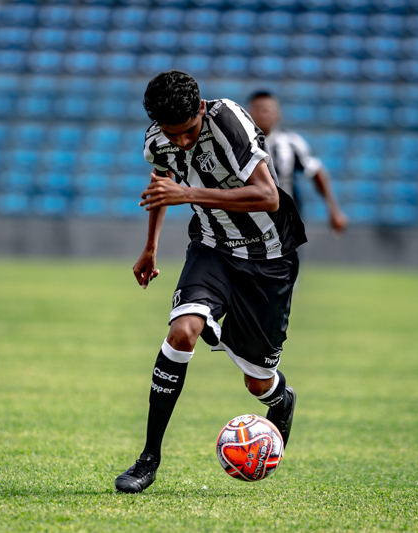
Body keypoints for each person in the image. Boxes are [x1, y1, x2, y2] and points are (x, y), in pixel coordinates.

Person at [115, 71, 307, 494]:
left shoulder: (230, 122)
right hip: (212, 248)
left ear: (200, 109)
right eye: (172, 133)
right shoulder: (158, 140)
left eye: (187, 131)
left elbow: (268, 196)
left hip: (268, 257)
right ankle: (148, 458)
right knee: (182, 332)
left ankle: (281, 398)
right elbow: (162, 187)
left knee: (257, 380)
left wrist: (189, 195)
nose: (180, 141)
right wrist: (150, 247)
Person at [248, 90, 348, 235]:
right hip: (248, 217)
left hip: (284, 219)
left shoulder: (291, 143)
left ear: (277, 114)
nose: (263, 114)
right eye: (257, 110)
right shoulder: (239, 144)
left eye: (267, 110)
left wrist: (333, 210)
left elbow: (316, 171)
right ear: (248, 114)